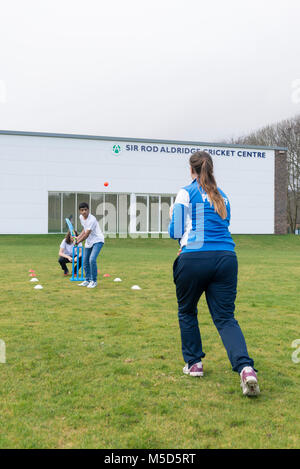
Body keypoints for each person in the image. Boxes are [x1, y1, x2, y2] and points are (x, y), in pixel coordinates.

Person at [169, 151, 260, 397]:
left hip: (195, 257)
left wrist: (173, 221)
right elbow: (223, 224)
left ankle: (194, 363)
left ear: (191, 170)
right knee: (225, 318)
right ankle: (246, 368)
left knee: (187, 310)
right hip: (226, 258)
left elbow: (175, 230)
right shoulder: (223, 196)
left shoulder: (185, 192)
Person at [74, 202, 104, 289]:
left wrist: (78, 241)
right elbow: (84, 229)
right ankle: (87, 280)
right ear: (79, 211)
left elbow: (87, 234)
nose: (84, 212)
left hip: (98, 240)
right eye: (82, 210)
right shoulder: (81, 218)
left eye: (85, 210)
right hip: (89, 242)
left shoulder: (92, 219)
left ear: (88, 210)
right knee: (85, 261)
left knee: (92, 259)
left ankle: (93, 281)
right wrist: (78, 237)